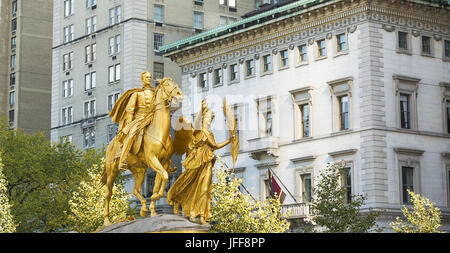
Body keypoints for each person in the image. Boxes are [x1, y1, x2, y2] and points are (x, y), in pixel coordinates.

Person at [167, 99, 234, 224]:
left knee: (205, 189)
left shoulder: (210, 134)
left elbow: (216, 146)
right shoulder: (197, 132)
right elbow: (197, 123)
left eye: (211, 119)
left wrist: (229, 141)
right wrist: (201, 110)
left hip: (207, 164)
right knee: (186, 182)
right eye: (208, 118)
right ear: (203, 119)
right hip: (196, 162)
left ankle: (202, 216)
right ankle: (176, 198)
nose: (209, 120)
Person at [109, 71, 156, 170]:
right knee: (131, 135)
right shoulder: (137, 94)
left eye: (150, 77)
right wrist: (129, 124)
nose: (149, 79)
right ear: (142, 79)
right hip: (139, 119)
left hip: (151, 119)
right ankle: (123, 159)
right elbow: (130, 109)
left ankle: (167, 160)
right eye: (146, 77)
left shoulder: (155, 93)